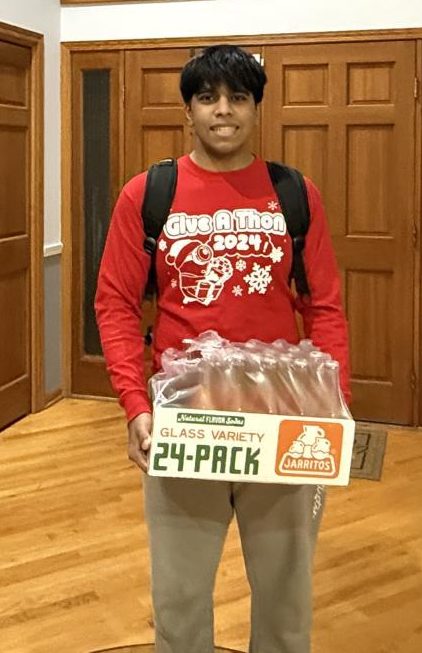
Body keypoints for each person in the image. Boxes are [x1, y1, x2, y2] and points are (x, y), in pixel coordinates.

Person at [95, 44, 351, 653]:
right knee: (180, 599)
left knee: (286, 599)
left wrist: (334, 401)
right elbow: (115, 305)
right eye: (207, 97)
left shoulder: (295, 193)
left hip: (282, 416)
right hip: (186, 420)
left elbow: (324, 306)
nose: (223, 111)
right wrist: (135, 406)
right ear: (188, 110)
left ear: (256, 108)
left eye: (238, 97)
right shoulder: (148, 193)